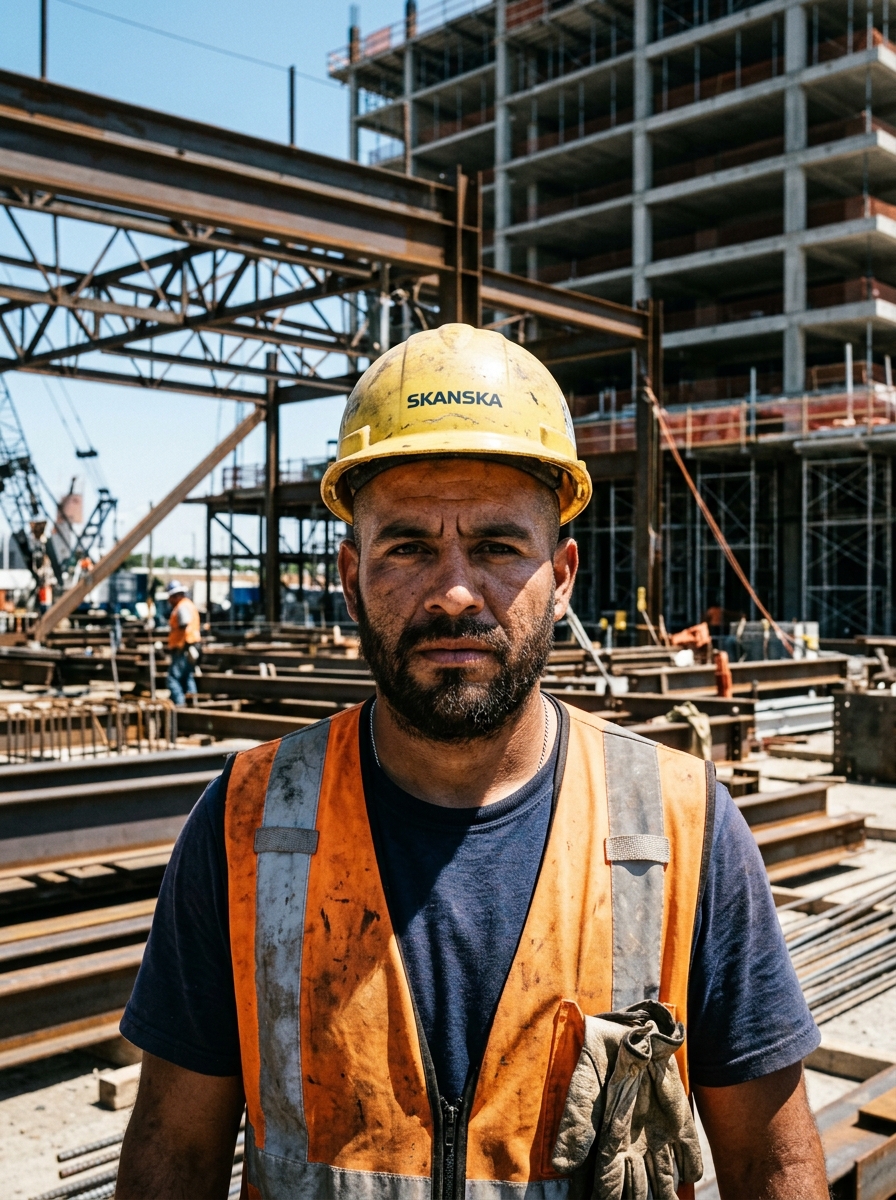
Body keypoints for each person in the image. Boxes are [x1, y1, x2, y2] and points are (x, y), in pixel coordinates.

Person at [115, 325, 827, 1200]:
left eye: (496, 546)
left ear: (562, 575)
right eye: (409, 546)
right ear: (350, 576)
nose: (454, 591)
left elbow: (772, 1165)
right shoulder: (247, 822)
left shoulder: (681, 824)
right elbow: (172, 1160)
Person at [165, 580, 200, 707]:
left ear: (175, 596)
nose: (169, 600)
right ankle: (192, 703)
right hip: (190, 646)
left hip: (183, 648)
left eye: (170, 597)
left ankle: (180, 705)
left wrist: (180, 646)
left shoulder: (181, 607)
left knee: (172, 679)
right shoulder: (188, 604)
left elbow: (184, 624)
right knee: (186, 676)